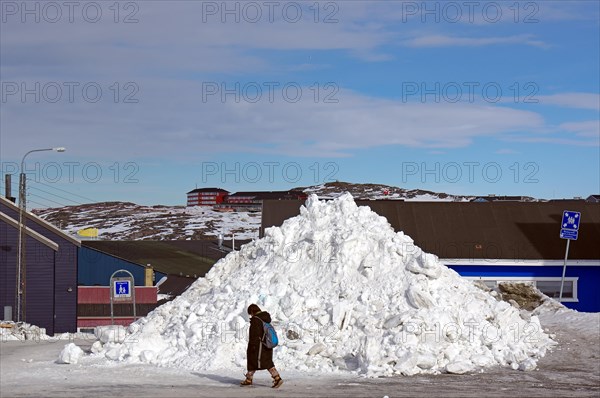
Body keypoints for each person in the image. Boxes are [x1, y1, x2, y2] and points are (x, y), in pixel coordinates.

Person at [240, 304, 283, 388]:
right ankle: (249, 379)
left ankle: (277, 379)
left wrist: (252, 347)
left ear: (252, 311)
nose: (250, 315)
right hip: (266, 345)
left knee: (254, 361)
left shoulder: (256, 320)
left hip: (258, 347)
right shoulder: (264, 318)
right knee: (266, 362)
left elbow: (254, 335)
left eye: (250, 313)